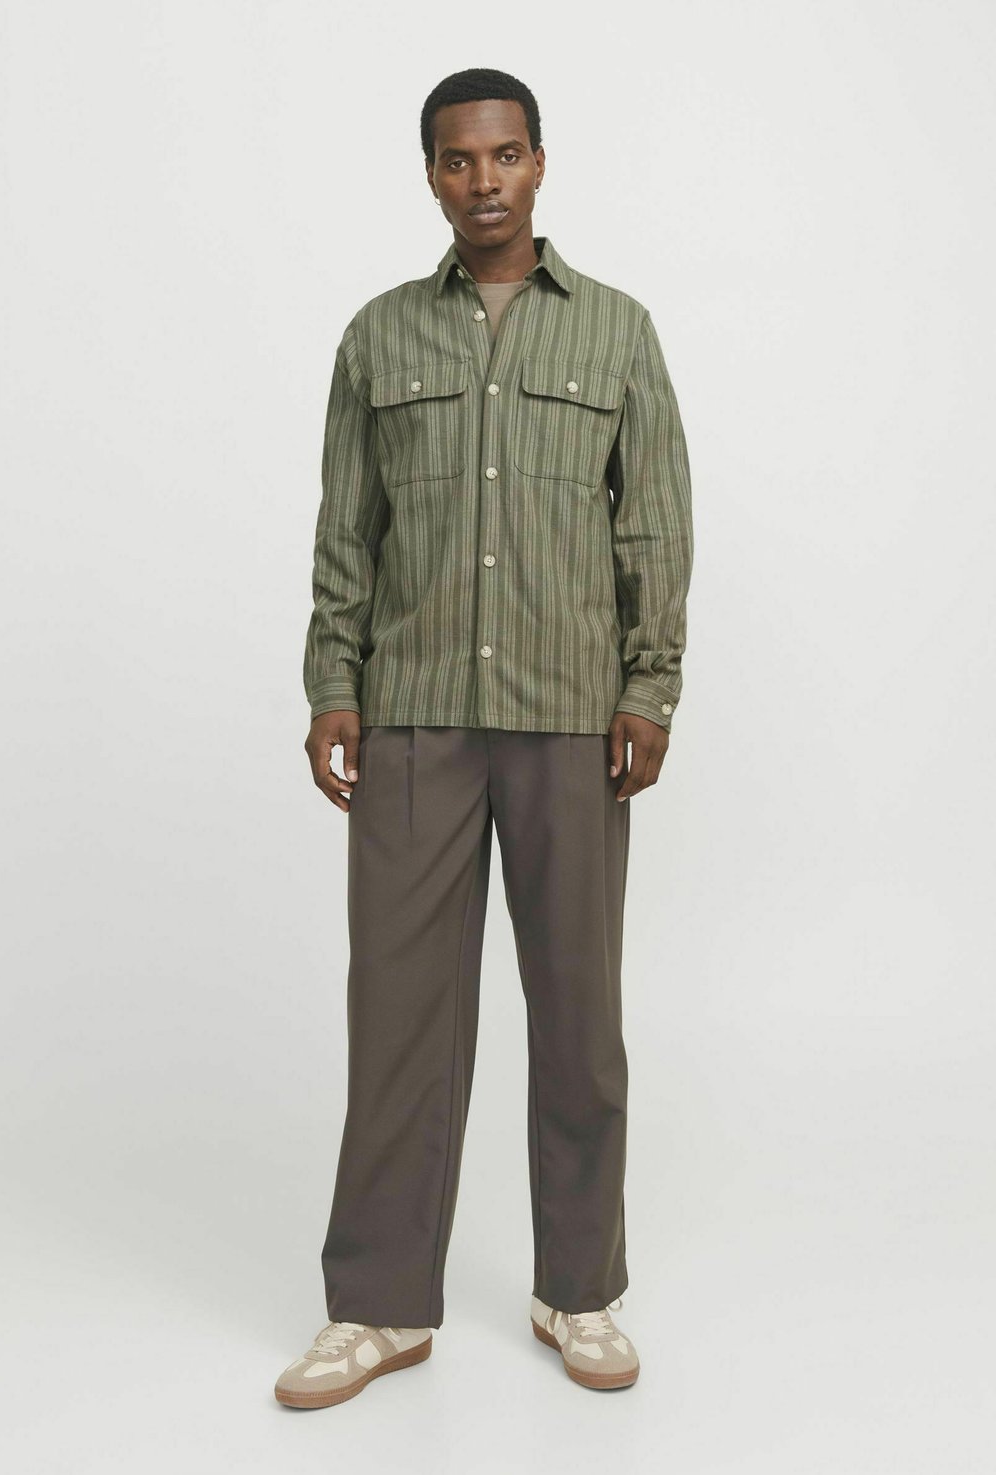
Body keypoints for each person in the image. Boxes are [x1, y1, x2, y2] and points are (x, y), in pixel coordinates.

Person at [275, 66, 694, 1410]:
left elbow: (655, 524)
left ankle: (580, 1287)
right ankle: (379, 1307)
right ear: (431, 176)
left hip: (571, 717)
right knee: (398, 1018)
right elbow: (347, 532)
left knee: (578, 1015)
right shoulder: (378, 336)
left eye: (505, 155)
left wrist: (648, 691)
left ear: (540, 163)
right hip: (412, 719)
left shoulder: (618, 331)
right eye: (458, 161)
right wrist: (332, 683)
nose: (484, 181)